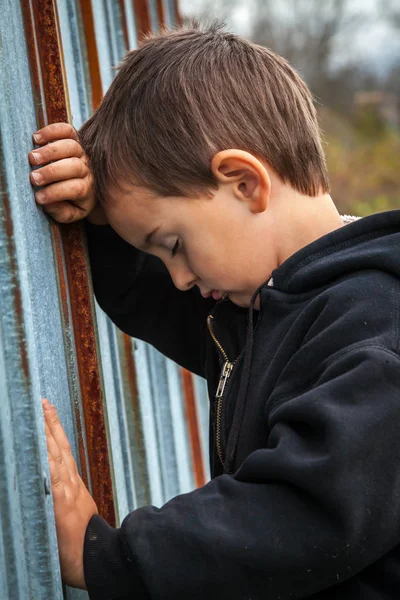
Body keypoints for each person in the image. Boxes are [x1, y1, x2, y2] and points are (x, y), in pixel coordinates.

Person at [29, 24, 400, 600]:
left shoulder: (376, 327)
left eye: (173, 245)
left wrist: (106, 556)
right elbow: (148, 298)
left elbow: (300, 511)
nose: (179, 276)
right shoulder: (267, 304)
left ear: (244, 181)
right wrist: (98, 219)